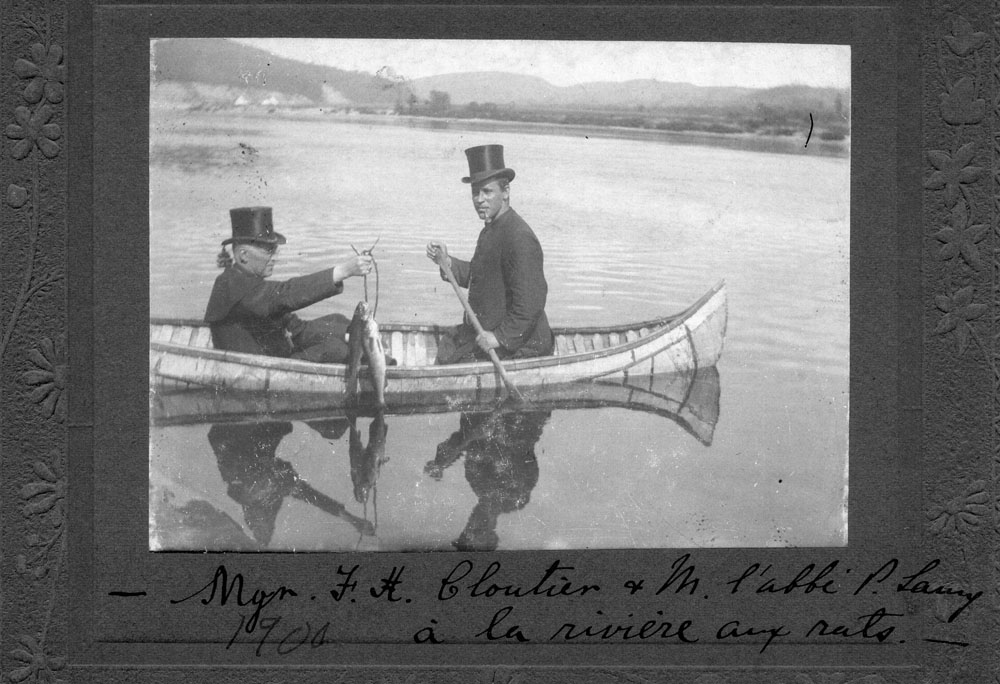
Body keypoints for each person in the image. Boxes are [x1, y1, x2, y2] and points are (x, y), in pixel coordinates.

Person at [426, 145, 553, 364]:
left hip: (523, 344)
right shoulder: (492, 229)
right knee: (449, 344)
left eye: (487, 191)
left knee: (453, 360)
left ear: (506, 192)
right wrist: (447, 262)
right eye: (475, 192)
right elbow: (481, 277)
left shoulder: (519, 237)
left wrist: (499, 338)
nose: (479, 199)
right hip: (491, 332)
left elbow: (531, 302)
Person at [205, 206, 372, 363]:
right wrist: (344, 271)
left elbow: (297, 329)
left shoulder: (249, 281)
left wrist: (348, 334)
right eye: (268, 251)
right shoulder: (231, 284)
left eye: (275, 250)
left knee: (338, 321)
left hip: (279, 353)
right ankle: (382, 365)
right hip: (263, 365)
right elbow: (285, 294)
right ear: (243, 255)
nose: (275, 258)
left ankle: (375, 357)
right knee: (337, 349)